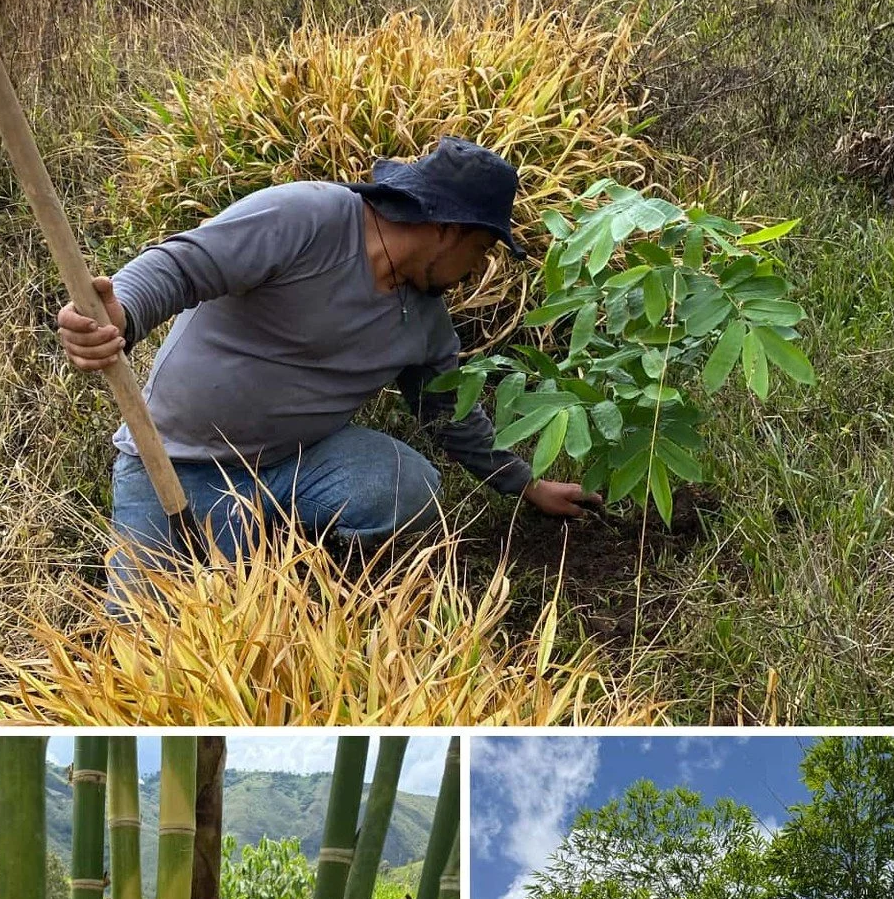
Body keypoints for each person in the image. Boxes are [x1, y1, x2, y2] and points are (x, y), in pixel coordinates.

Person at [55, 135, 602, 587]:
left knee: (406, 484)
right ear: (448, 230)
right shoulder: (309, 217)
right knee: (143, 632)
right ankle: (246, 544)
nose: (477, 269)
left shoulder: (427, 321)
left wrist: (526, 485)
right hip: (176, 463)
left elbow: (449, 414)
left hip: (298, 464)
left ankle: (282, 544)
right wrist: (122, 314)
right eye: (481, 250)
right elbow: (181, 266)